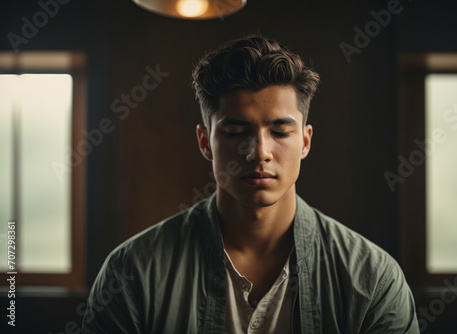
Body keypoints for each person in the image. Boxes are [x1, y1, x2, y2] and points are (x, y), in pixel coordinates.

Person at [82, 34, 419, 333]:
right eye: (235, 132)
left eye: (280, 131)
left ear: (305, 141)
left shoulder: (373, 279)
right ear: (205, 142)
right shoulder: (132, 273)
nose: (259, 152)